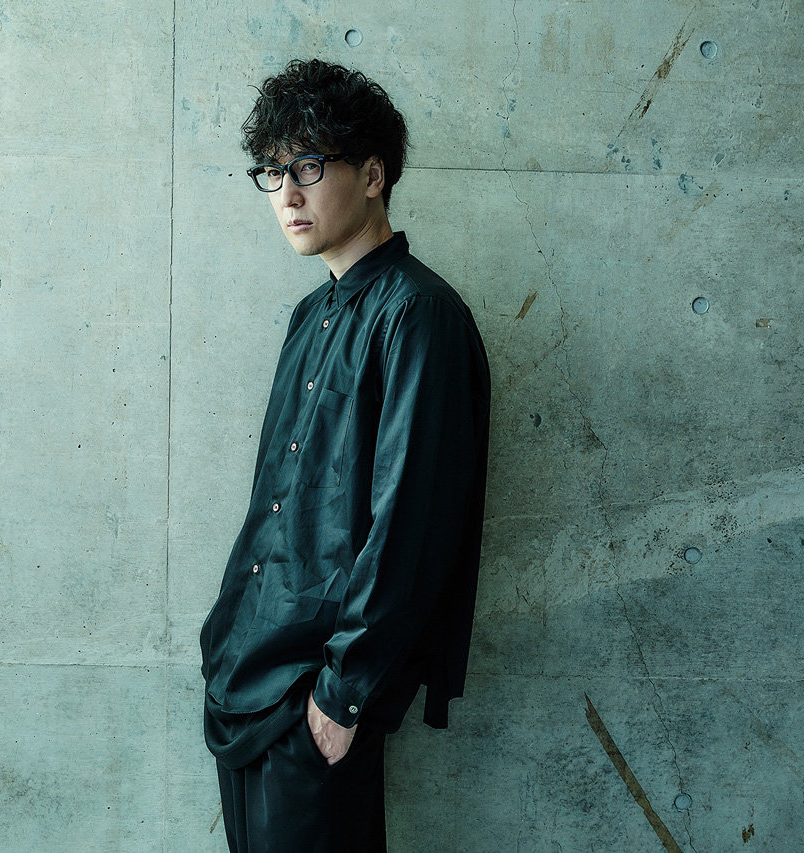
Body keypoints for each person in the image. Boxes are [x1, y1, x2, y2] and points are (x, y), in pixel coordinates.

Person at [198, 58, 491, 853]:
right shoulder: (308, 315)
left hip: (316, 695)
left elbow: (412, 522)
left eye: (307, 166)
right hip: (244, 678)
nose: (286, 194)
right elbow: (275, 503)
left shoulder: (418, 314)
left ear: (372, 174)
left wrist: (343, 693)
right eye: (271, 172)